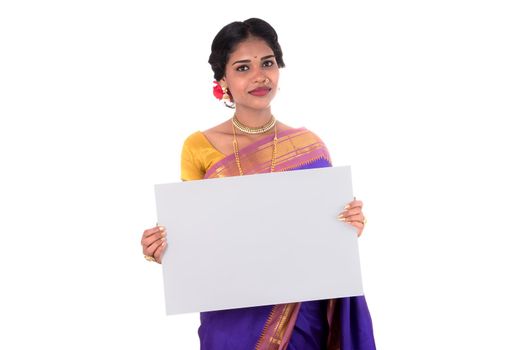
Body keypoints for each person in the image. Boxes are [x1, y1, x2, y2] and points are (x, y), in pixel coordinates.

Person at [141, 18, 376, 350]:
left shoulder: (309, 145)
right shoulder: (199, 147)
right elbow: (195, 237)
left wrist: (349, 225)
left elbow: (322, 237)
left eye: (267, 63)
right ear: (222, 79)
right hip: (230, 317)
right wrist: (163, 249)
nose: (259, 75)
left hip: (302, 317)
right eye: (242, 67)